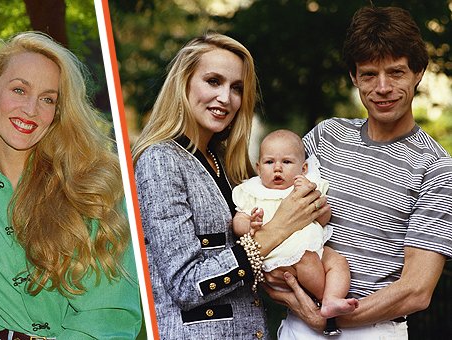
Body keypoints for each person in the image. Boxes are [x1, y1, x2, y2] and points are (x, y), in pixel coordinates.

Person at [266, 6, 452, 339]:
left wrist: (330, 319)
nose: (382, 88)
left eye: (396, 72)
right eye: (369, 74)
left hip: (370, 329)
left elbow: (416, 290)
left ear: (418, 73)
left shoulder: (437, 168)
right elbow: (270, 201)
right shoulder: (326, 136)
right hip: (298, 326)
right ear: (354, 76)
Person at [132, 33, 328, 339]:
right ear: (184, 83)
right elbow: (186, 283)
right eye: (213, 81)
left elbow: (245, 271)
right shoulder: (160, 159)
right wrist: (279, 228)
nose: (226, 97)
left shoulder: (223, 162)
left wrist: (298, 299)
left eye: (236, 88)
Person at [0, 32, 142, 339]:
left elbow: (110, 316)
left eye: (47, 99)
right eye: (19, 90)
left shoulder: (92, 188)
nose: (31, 110)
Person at [232, 129, 358, 319]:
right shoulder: (252, 191)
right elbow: (238, 221)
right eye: (269, 162)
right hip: (284, 253)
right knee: (308, 261)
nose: (277, 168)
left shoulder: (307, 187)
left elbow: (323, 219)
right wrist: (249, 224)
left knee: (338, 261)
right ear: (258, 168)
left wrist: (321, 208)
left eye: (287, 162)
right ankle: (322, 298)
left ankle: (332, 299)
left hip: (313, 246)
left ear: (304, 169)